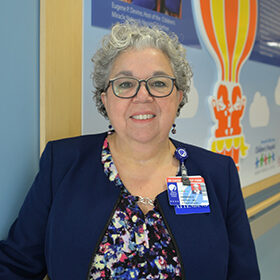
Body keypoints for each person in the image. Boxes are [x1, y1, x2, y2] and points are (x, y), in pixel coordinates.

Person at [0, 21, 260, 279]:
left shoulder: (218, 174)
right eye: (125, 84)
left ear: (179, 96)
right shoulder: (63, 164)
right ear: (105, 99)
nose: (142, 96)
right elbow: (16, 266)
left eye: (158, 83)